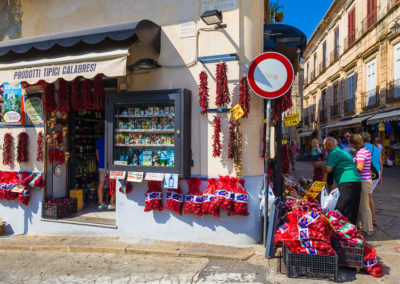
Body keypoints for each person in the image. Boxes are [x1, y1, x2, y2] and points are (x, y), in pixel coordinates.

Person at [323, 137, 362, 225]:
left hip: (346, 181)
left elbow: (328, 169)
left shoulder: (333, 152)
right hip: (357, 180)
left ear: (328, 145)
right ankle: (351, 230)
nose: (324, 148)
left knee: (341, 208)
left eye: (324, 146)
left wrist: (322, 165)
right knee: (352, 208)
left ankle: (341, 230)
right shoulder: (343, 151)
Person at [349, 134, 373, 236]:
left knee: (364, 206)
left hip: (364, 181)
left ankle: (368, 229)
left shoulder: (362, 152)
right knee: (361, 204)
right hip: (366, 180)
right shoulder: (365, 150)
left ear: (354, 143)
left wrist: (350, 168)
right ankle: (360, 226)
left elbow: (360, 167)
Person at [361, 132, 383, 226]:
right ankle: (372, 218)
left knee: (367, 198)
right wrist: (380, 175)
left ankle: (372, 218)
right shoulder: (375, 148)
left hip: (367, 173)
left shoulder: (362, 148)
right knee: (369, 195)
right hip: (376, 173)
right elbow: (380, 162)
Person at [96, 134, 115, 211]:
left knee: (101, 184)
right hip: (111, 166)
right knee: (113, 185)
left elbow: (97, 155)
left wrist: (101, 162)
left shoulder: (99, 140)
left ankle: (101, 203)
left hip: (101, 166)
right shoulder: (112, 138)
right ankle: (111, 203)